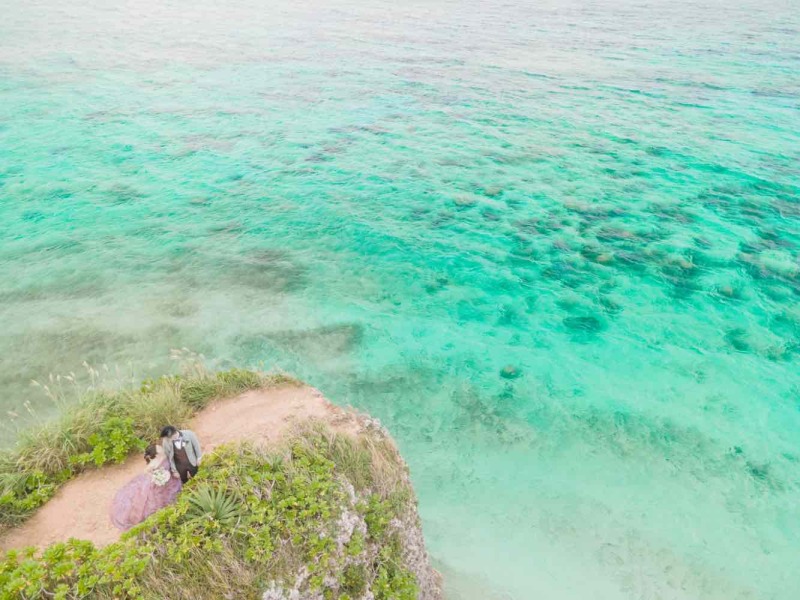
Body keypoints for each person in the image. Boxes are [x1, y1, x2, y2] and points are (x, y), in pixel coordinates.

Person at [109, 444, 182, 531]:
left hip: (170, 482)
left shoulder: (165, 456)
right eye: (158, 449)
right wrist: (155, 477)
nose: (161, 449)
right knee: (156, 500)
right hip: (157, 485)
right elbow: (146, 472)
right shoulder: (153, 463)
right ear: (155, 453)